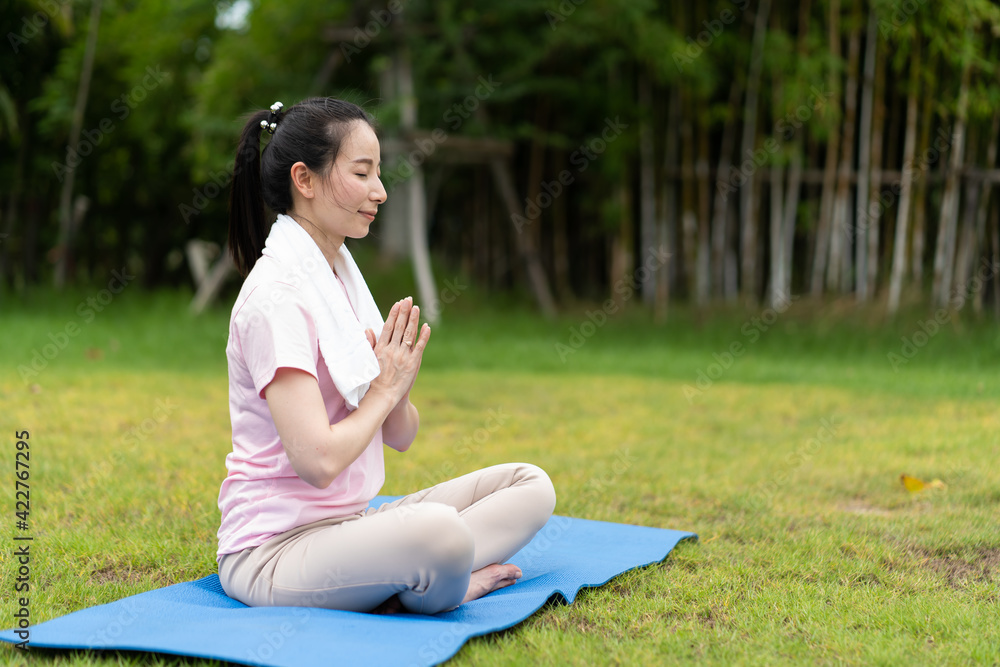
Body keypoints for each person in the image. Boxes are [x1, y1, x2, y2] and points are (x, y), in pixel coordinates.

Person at [215, 97, 556, 615]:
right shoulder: (276, 298)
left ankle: (417, 570)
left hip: (352, 526)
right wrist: (384, 389)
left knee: (530, 485)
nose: (381, 191)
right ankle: (438, 580)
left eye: (378, 172)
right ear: (304, 180)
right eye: (362, 172)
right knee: (439, 535)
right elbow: (318, 462)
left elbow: (401, 435)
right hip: (273, 552)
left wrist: (396, 384)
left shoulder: (342, 285)